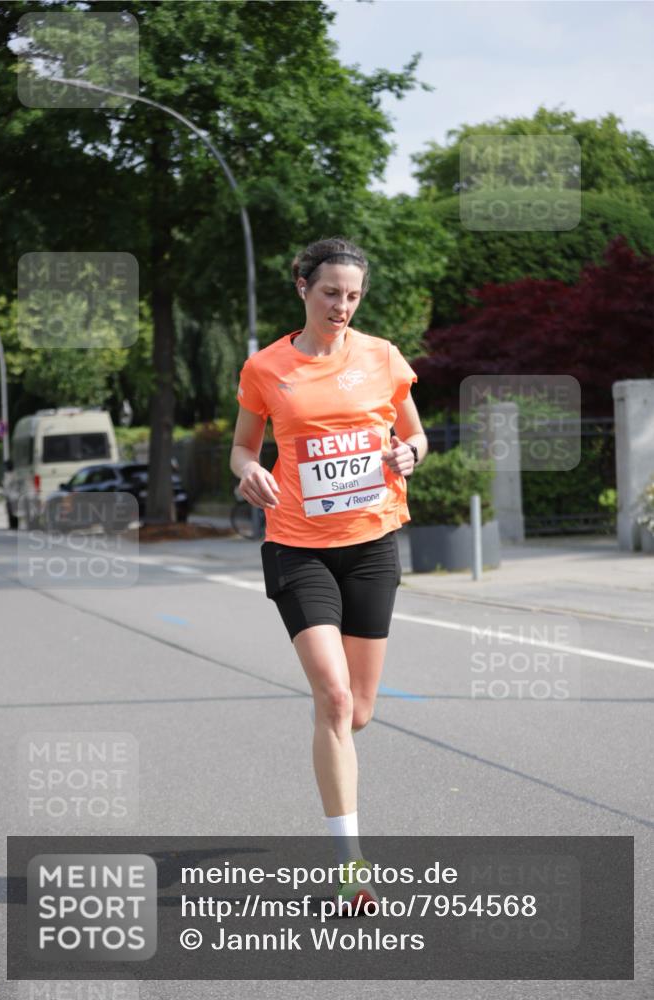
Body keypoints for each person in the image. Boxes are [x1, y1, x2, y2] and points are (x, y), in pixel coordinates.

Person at [230, 237, 428, 913]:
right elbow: (241, 447)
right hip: (297, 545)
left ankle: (333, 744)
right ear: (301, 288)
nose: (341, 306)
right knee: (335, 700)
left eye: (351, 295)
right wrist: (248, 471)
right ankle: (350, 868)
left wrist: (409, 454)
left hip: (372, 543)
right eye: (329, 293)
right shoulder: (266, 367)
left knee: (359, 712)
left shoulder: (381, 357)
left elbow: (416, 436)